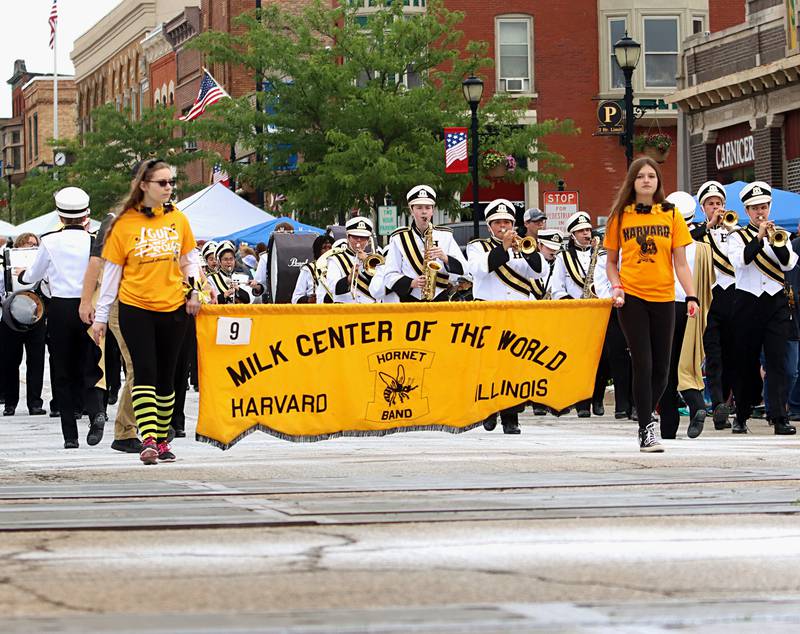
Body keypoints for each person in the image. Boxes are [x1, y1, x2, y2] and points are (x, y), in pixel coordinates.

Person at [92, 159, 201, 465]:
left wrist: (194, 290)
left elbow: (190, 259)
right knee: (145, 372)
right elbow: (111, 273)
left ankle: (163, 438)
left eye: (171, 183)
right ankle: (148, 439)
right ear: (144, 186)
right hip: (135, 307)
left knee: (168, 378)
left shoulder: (178, 219)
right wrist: (101, 317)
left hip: (173, 306)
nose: (169, 188)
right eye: (162, 183)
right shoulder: (124, 224)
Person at [604, 157, 698, 452]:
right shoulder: (620, 215)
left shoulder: (670, 215)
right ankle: (646, 427)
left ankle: (644, 409)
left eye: (652, 176)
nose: (646, 180)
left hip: (664, 297)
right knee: (642, 364)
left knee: (662, 368)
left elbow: (680, 263)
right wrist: (616, 286)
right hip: (631, 297)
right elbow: (610, 263)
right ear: (632, 181)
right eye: (641, 176)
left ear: (658, 181)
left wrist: (692, 295)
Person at [21, 187, 107, 449]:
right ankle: (96, 412)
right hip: (89, 307)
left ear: (60, 215)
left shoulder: (49, 240)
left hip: (59, 309)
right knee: (91, 365)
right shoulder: (95, 241)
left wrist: (22, 275)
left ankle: (70, 436)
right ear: (86, 216)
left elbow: (33, 276)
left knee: (62, 371)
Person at [467, 198, 548, 434]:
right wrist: (502, 248)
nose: (503, 226)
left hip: (517, 312)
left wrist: (525, 249)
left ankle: (511, 417)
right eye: (498, 222)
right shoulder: (477, 246)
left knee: (514, 366)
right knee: (490, 365)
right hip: (489, 310)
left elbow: (540, 270)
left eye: (507, 222)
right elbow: (479, 269)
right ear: (489, 225)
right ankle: (489, 411)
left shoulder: (523, 246)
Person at [79, 164, 142, 454]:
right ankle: (127, 430)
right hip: (121, 302)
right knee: (138, 366)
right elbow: (95, 263)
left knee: (151, 368)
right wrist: (86, 302)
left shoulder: (166, 221)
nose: (166, 188)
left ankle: (145, 425)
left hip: (155, 302)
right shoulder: (114, 221)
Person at [727, 181, 797, 435]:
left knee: (779, 362)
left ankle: (779, 417)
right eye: (755, 208)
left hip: (776, 302)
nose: (761, 213)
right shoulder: (737, 236)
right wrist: (758, 237)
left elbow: (788, 264)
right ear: (747, 211)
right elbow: (741, 261)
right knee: (746, 361)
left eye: (764, 207)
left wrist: (775, 241)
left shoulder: (782, 235)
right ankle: (742, 413)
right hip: (747, 302)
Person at [659, 193, 714, 439]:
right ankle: (697, 406)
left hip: (667, 306)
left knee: (667, 368)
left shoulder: (663, 242)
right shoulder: (702, 248)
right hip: (693, 307)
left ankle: (668, 426)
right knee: (689, 363)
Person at [551, 211, 612, 418]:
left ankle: (598, 397)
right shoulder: (563, 257)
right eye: (581, 231)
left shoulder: (601, 255)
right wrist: (570, 303)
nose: (586, 234)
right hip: (576, 313)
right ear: (572, 234)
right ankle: (582, 403)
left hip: (599, 311)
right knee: (579, 360)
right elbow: (556, 287)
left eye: (588, 229)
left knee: (603, 358)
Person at [690, 180, 736, 429]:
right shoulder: (697, 232)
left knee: (731, 357)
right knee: (714, 357)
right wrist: (707, 227)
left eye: (719, 203)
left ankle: (724, 404)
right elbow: (686, 245)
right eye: (710, 204)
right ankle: (718, 405)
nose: (716, 208)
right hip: (710, 299)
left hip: (734, 299)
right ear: (702, 207)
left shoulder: (736, 230)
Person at [383, 185, 466, 302]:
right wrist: (411, 283)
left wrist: (445, 258)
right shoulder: (399, 238)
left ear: (432, 210)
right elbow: (389, 275)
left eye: (428, 208)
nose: (424, 212)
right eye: (419, 208)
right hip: (411, 298)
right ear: (411, 210)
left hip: (440, 297)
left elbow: (465, 268)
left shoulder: (445, 235)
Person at [0, 232, 46, 416]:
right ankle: (10, 402)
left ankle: (35, 403)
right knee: (10, 360)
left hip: (36, 314)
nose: (30, 245)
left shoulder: (40, 265)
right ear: (19, 245)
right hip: (11, 315)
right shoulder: (8, 261)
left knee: (36, 361)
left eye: (34, 243)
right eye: (27, 243)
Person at [326, 217, 378, 304]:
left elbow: (380, 287)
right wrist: (348, 279)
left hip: (370, 311)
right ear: (348, 237)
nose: (359, 240)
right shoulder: (336, 260)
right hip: (345, 311)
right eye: (355, 237)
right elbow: (332, 288)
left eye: (363, 237)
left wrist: (367, 263)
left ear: (368, 240)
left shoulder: (374, 260)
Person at [292, 234, 333, 304]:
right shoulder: (308, 269)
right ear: (318, 250)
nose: (328, 251)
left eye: (330, 248)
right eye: (324, 248)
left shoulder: (338, 267)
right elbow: (295, 298)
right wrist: (308, 300)